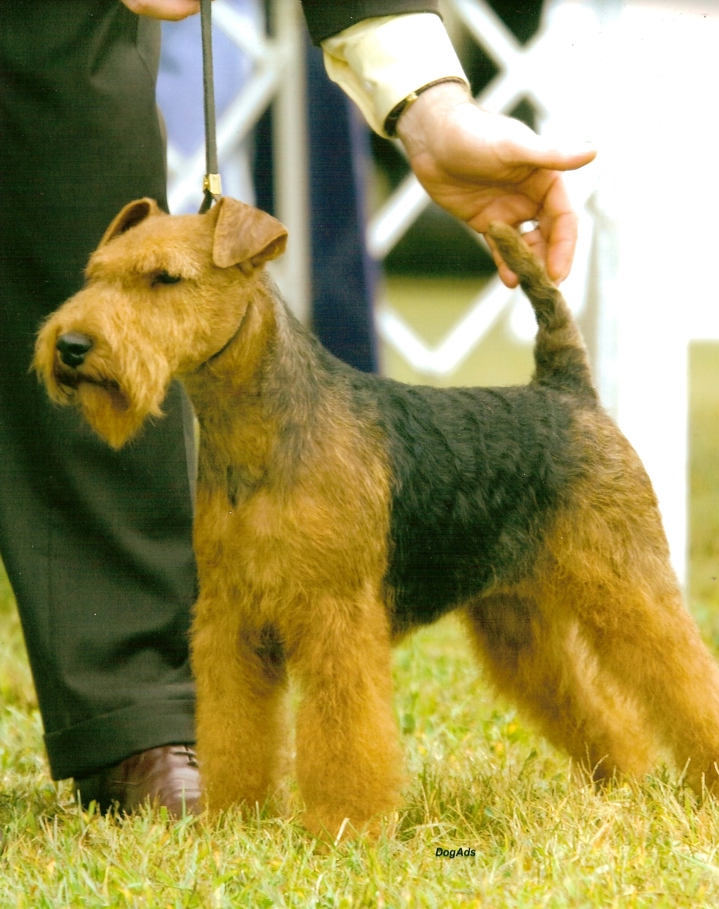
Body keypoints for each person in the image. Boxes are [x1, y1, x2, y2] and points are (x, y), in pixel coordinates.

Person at [0, 0, 594, 815]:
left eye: (158, 284)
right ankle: (232, 798)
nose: (92, 320)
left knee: (380, 638)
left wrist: (430, 103)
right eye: (103, 281)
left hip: (550, 447)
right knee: (227, 628)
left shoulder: (248, 254)